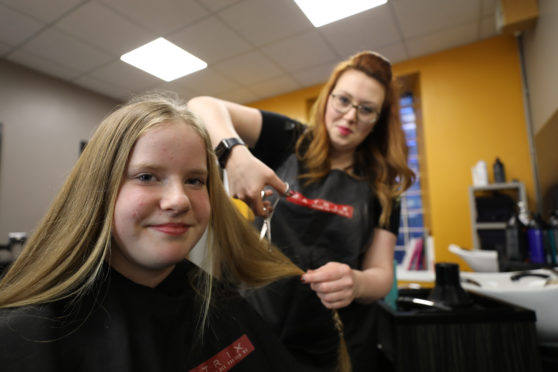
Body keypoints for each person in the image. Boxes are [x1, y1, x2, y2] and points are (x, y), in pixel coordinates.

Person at [0, 92, 308, 372]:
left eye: (195, 181)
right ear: (98, 191)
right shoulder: (27, 336)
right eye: (147, 176)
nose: (178, 200)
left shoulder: (225, 306)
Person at [187, 51, 415, 371]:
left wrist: (357, 283)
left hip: (334, 339)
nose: (350, 116)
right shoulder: (288, 139)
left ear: (378, 119)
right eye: (343, 101)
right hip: (255, 321)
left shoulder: (382, 187)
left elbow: (381, 274)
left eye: (366, 110)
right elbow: (201, 105)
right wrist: (234, 155)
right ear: (328, 98)